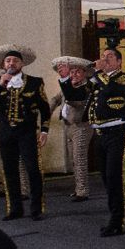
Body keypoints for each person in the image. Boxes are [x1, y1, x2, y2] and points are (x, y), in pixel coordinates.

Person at [0, 44, 51, 221]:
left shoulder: (35, 82)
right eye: (8, 61)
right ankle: (14, 208)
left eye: (15, 61)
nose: (11, 63)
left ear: (22, 64)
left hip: (27, 132)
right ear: (3, 64)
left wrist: (44, 130)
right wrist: (0, 85)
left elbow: (45, 109)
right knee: (9, 170)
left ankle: (36, 208)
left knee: (32, 169)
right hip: (5, 132)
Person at [81, 47, 125, 237]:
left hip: (118, 132)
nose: (104, 59)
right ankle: (120, 215)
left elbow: (113, 89)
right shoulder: (98, 80)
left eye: (109, 56)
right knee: (105, 177)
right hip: (100, 133)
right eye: (102, 56)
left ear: (119, 61)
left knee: (115, 177)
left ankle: (117, 221)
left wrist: (98, 72)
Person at [49, 56, 94, 202]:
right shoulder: (68, 87)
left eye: (77, 72)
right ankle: (78, 188)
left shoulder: (87, 88)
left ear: (85, 73)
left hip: (82, 127)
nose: (74, 75)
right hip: (68, 126)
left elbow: (76, 101)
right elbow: (56, 99)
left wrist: (67, 85)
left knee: (79, 157)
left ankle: (83, 191)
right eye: (72, 72)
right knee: (72, 159)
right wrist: (46, 112)